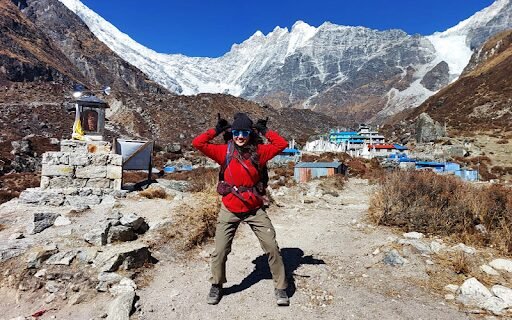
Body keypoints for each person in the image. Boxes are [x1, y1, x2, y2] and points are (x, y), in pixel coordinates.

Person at [192, 112, 289, 306]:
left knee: (271, 247)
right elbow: (198, 143)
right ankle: (217, 285)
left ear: (250, 133)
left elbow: (282, 144)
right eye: (236, 132)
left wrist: (264, 131)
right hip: (230, 207)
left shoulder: (259, 152)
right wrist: (217, 130)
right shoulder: (224, 152)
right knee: (220, 250)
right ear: (232, 132)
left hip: (254, 208)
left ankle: (281, 287)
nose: (240, 137)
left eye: (244, 132)